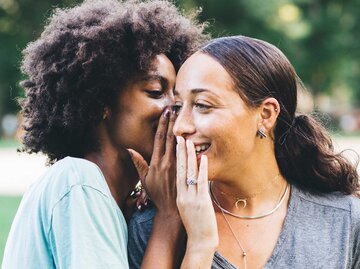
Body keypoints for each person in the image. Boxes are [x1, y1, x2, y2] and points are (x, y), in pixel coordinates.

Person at [1, 0, 207, 268]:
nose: (174, 110)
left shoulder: (106, 198)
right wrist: (169, 217)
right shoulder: (79, 183)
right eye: (156, 91)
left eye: (177, 98)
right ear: (101, 103)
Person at [128, 35, 360, 268]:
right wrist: (200, 243)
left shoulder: (344, 220)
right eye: (178, 107)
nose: (179, 127)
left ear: (266, 114)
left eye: (202, 105)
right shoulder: (150, 228)